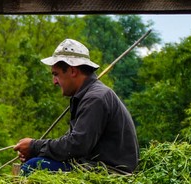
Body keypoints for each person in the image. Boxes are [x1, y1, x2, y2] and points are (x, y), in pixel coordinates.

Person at [13, 39, 139, 174]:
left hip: (109, 172)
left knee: (33, 166)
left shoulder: (95, 98)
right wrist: (39, 152)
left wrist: (34, 147)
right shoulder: (87, 96)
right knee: (38, 160)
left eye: (56, 74)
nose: (54, 81)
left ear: (72, 71)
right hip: (93, 166)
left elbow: (76, 146)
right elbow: (70, 144)